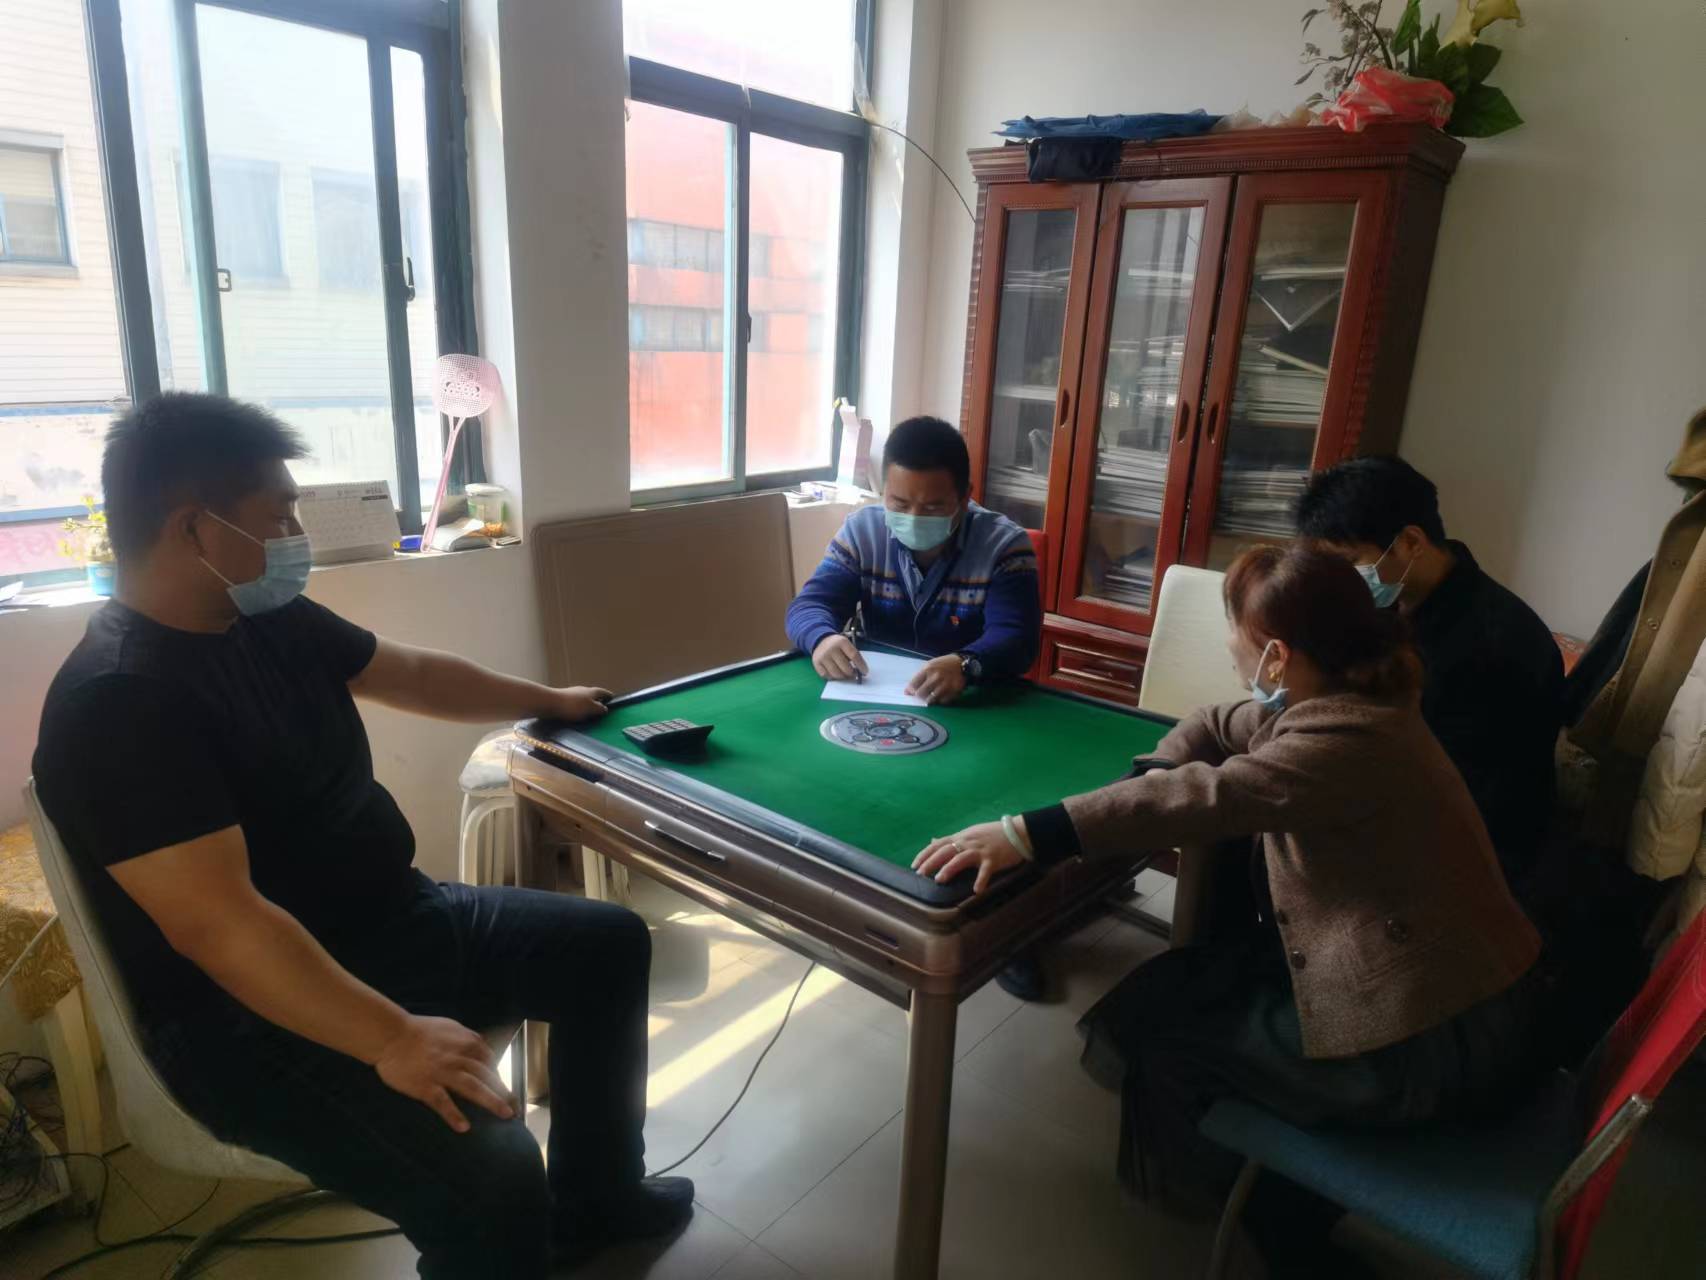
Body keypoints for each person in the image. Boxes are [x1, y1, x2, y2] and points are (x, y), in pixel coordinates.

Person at [32, 394, 691, 1279]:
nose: (296, 536)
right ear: (194, 528)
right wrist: (391, 1038)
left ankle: (596, 1204)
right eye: (280, 515)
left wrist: (550, 701)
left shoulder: (263, 618)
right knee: (492, 1176)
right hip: (250, 1018)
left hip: (393, 922)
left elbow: (409, 673)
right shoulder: (118, 703)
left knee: (605, 945)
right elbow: (222, 927)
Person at [913, 545, 1544, 1277]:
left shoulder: (1346, 742)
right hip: (1437, 984)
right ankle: (1273, 1193)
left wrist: (1027, 833)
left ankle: (1276, 1232)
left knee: (1167, 1044)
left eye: (1234, 635)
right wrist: (1154, 768)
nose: (1228, 649)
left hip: (1433, 1036)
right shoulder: (1345, 697)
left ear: (1277, 656)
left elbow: (1207, 797)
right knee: (1179, 990)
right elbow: (1215, 722)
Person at [1294, 456, 1564, 885]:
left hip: (1468, 855)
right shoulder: (1394, 601)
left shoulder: (1494, 646)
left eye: (1349, 562)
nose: (1341, 580)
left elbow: (1457, 793)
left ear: (1410, 542)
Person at [785, 414, 1042, 707]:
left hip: (969, 702)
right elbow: (809, 604)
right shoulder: (862, 532)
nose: (914, 518)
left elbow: (1017, 638)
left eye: (933, 507)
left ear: (964, 498)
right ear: (884, 492)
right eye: (900, 503)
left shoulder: (1004, 546)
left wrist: (965, 664)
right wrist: (821, 639)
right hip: (876, 696)